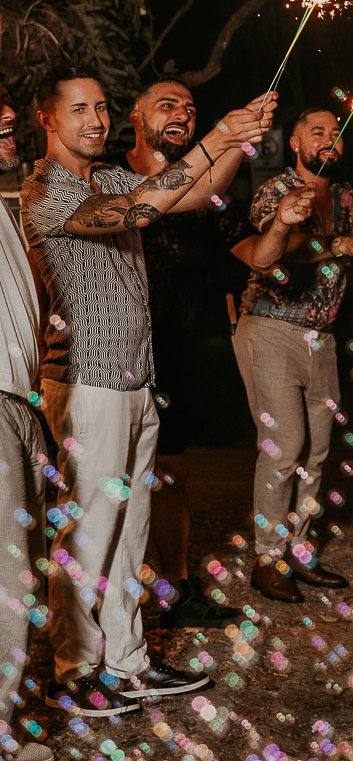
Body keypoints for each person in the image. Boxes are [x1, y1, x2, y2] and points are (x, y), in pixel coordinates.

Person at [22, 69, 272, 718]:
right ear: (48, 119)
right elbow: (141, 210)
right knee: (86, 531)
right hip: (84, 382)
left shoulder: (111, 176)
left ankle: (127, 659)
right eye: (80, 110)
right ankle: (76, 669)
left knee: (130, 533)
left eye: (102, 107)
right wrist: (215, 133)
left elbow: (193, 193)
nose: (97, 120)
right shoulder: (44, 188)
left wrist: (238, 139)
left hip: (137, 379)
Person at [232, 105, 353, 603]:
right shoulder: (279, 191)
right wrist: (339, 244)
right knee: (284, 448)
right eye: (318, 132)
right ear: (296, 142)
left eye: (336, 132)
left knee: (316, 453)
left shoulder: (348, 196)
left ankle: (298, 553)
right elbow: (281, 247)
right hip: (271, 328)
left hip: (323, 339)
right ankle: (267, 561)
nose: (330, 139)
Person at [127, 77, 243, 629]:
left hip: (177, 346)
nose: (182, 113)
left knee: (171, 474)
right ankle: (98, 603)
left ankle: (175, 589)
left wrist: (237, 140)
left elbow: (207, 199)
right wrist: (227, 136)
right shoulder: (109, 175)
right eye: (167, 104)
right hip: (112, 351)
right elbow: (169, 193)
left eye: (191, 108)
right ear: (136, 115)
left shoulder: (201, 193)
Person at [0, 87, 56, 761]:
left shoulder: (7, 203)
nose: (7, 117)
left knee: (25, 580)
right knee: (8, 589)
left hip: (17, 402)